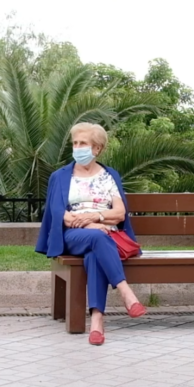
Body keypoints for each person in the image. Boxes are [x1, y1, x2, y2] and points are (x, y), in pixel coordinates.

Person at [36, 123, 146, 346]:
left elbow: (119, 212)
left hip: (105, 235)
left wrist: (96, 218)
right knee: (97, 238)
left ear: (97, 149)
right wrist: (88, 226)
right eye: (75, 143)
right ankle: (125, 292)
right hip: (72, 235)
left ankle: (97, 321)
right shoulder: (60, 176)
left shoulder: (108, 176)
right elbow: (60, 213)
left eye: (83, 143)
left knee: (95, 254)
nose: (77, 148)